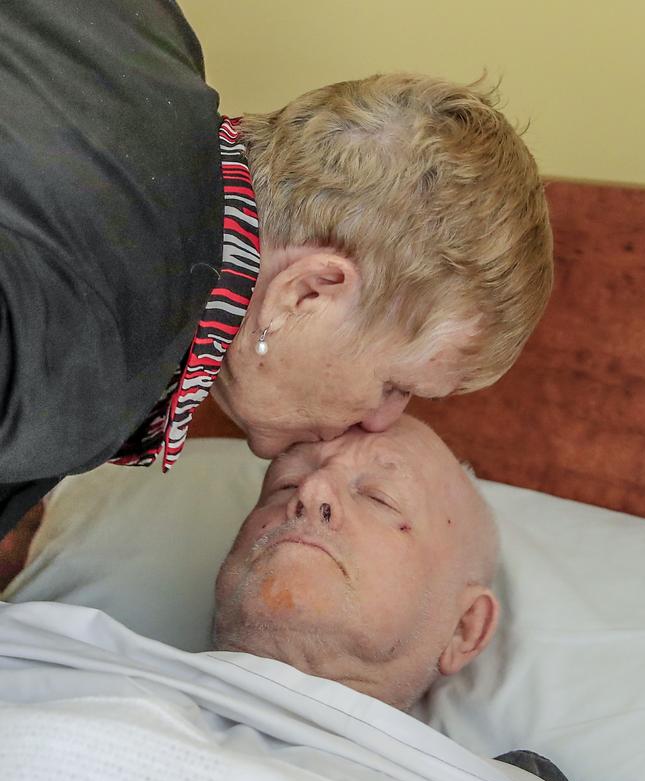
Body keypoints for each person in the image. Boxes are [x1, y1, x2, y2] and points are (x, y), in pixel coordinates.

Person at [0, 0, 553, 541]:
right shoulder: (87, 362)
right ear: (307, 293)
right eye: (396, 386)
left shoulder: (149, 30)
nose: (382, 420)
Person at [213, 414, 586, 781]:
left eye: (379, 497)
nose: (310, 489)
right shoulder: (142, 684)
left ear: (464, 628)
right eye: (283, 484)